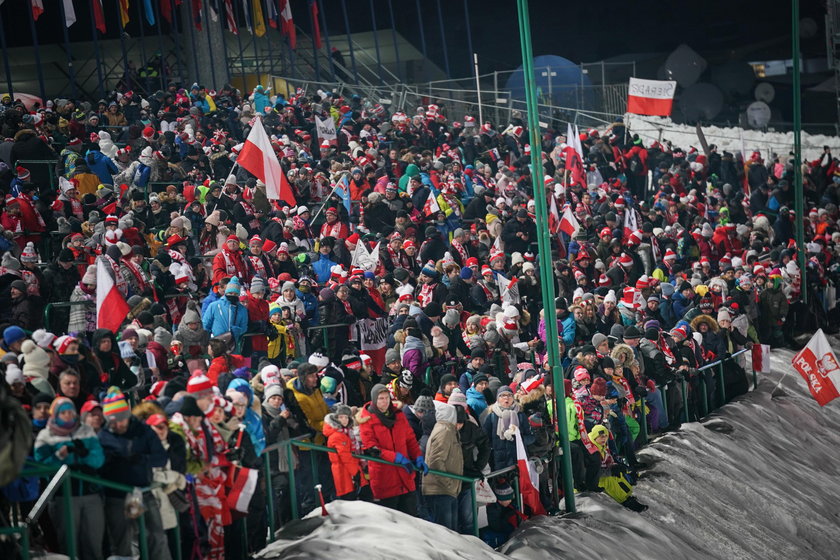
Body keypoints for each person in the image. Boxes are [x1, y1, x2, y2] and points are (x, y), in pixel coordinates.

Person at [97, 387, 172, 560]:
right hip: (116, 495)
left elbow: (160, 457)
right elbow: (98, 466)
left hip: (143, 491)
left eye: (121, 420)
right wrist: (111, 461)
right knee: (122, 542)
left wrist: (142, 459)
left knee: (156, 536)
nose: (118, 425)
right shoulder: (103, 436)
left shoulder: (143, 431)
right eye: (113, 422)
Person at [33, 397, 106, 560]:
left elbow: (99, 459)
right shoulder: (45, 435)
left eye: (70, 412)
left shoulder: (86, 430)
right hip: (63, 496)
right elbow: (42, 467)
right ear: (56, 414)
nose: (68, 415)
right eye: (63, 412)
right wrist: (60, 455)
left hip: (90, 493)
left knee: (93, 543)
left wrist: (84, 454)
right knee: (68, 545)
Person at [359, 383, 425, 515]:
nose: (385, 401)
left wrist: (418, 456)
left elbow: (410, 439)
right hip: (385, 478)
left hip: (405, 477)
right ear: (374, 400)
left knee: (411, 517)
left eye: (386, 398)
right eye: (381, 399)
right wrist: (396, 457)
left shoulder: (399, 415)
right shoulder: (367, 420)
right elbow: (372, 448)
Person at [422, 402, 462, 530]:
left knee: (452, 531)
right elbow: (435, 461)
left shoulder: (448, 430)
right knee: (446, 532)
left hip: (448, 490)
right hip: (441, 490)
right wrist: (449, 483)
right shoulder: (444, 431)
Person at [323, 404, 369, 500]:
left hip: (350, 469)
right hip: (344, 473)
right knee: (350, 499)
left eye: (346, 417)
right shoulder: (337, 435)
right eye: (341, 417)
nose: (344, 420)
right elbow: (346, 457)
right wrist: (355, 473)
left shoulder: (346, 432)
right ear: (336, 419)